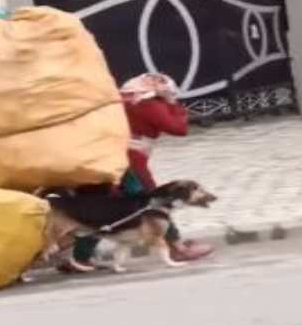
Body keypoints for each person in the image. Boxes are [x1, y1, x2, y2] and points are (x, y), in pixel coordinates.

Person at [64, 73, 215, 272]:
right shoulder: (147, 104)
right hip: (131, 162)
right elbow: (178, 128)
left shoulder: (125, 100)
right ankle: (176, 247)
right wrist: (172, 104)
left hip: (110, 157)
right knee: (156, 201)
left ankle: (80, 258)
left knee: (102, 207)